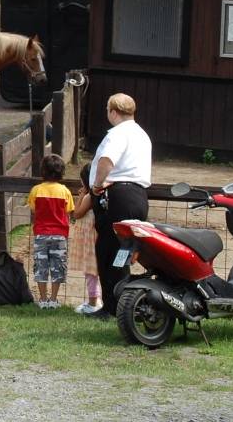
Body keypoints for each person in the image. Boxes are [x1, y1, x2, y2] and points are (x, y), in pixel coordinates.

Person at [87, 93, 151, 320]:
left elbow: (106, 160)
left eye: (107, 109)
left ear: (113, 112)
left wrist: (96, 184)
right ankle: (124, 304)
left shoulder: (118, 134)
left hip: (119, 196)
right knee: (123, 252)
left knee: (107, 250)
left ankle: (112, 307)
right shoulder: (142, 135)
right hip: (138, 196)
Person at [27, 154, 76, 309]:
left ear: (43, 171)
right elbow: (69, 210)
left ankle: (42, 299)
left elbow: (33, 209)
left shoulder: (36, 190)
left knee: (41, 265)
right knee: (58, 266)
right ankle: (53, 299)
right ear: (61, 171)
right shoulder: (65, 191)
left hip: (41, 233)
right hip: (60, 234)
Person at [71, 163, 102, 314]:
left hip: (89, 240)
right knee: (96, 270)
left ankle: (92, 303)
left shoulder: (89, 197)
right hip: (94, 237)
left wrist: (81, 195)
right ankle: (98, 299)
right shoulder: (100, 194)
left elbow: (76, 213)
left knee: (91, 272)